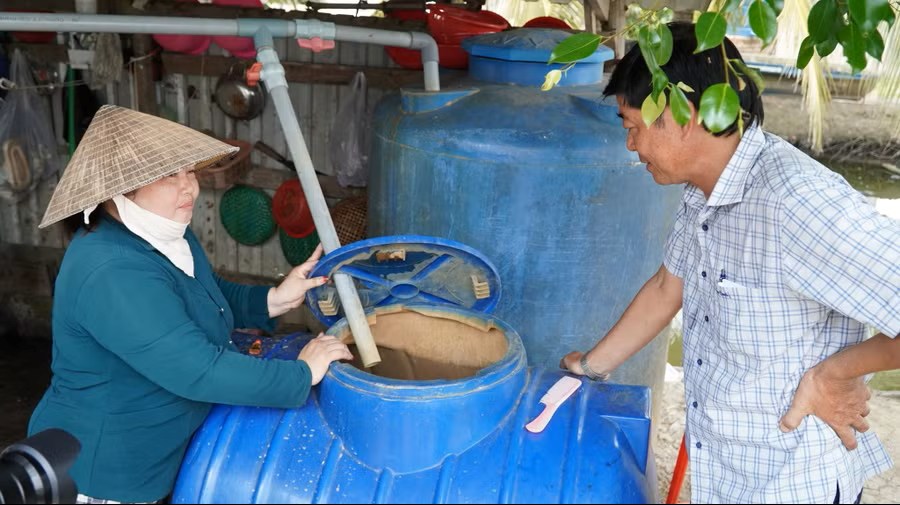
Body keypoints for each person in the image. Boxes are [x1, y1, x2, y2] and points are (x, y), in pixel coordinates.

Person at [560, 22, 899, 504]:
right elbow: (666, 287)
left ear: (684, 114)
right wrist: (590, 368)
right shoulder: (703, 190)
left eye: (633, 127)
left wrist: (837, 372)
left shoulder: (795, 204)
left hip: (790, 486)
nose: (630, 145)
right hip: (729, 475)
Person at [28, 105, 354, 504]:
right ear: (120, 189)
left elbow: (204, 292)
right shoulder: (111, 269)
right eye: (170, 176)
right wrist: (302, 374)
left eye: (190, 172)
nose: (190, 189)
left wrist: (273, 299)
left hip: (154, 456)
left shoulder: (162, 234)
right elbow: (198, 371)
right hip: (101, 475)